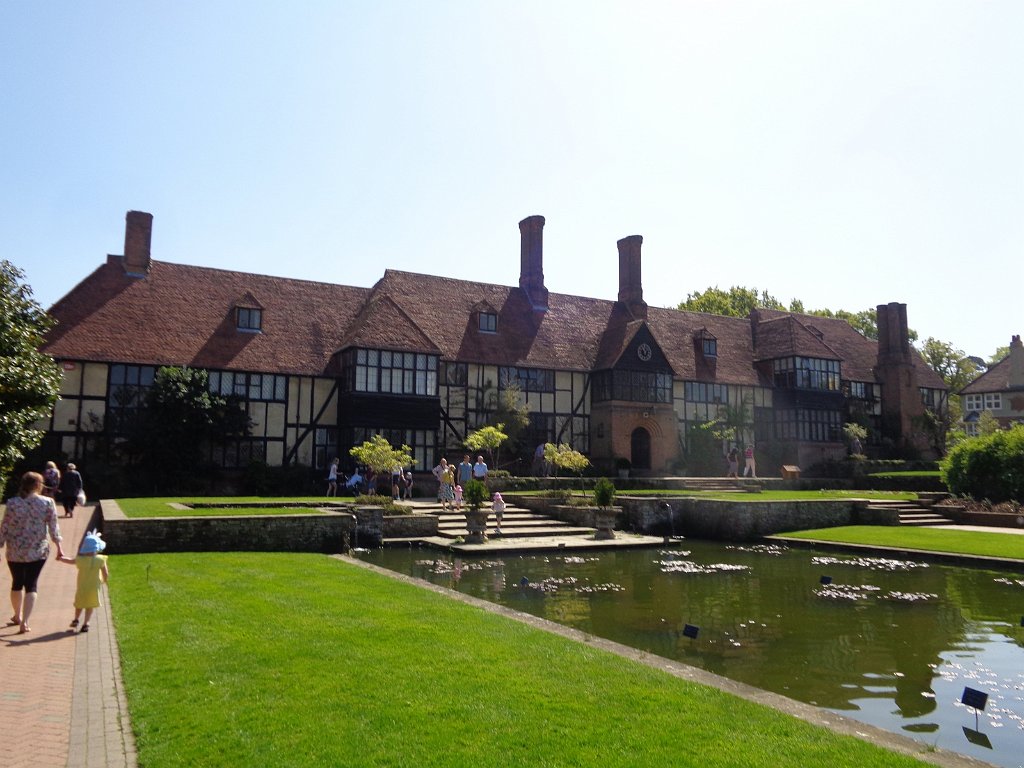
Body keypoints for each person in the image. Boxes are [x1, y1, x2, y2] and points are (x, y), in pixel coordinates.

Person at [0, 471, 65, 634]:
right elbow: (53, 527)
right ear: (38, 485)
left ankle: (17, 615)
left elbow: (5, 527)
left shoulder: (12, 503)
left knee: (17, 582)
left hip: (15, 550)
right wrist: (59, 548)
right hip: (38, 551)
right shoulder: (47, 502)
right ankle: (25, 622)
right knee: (31, 584)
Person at [58, 529, 108, 633]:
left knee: (79, 603)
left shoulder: (81, 560)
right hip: (94, 586)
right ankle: (86, 624)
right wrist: (104, 580)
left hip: (82, 585)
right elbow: (105, 573)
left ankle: (76, 619)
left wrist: (61, 558)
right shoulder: (101, 560)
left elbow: (70, 561)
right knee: (90, 605)